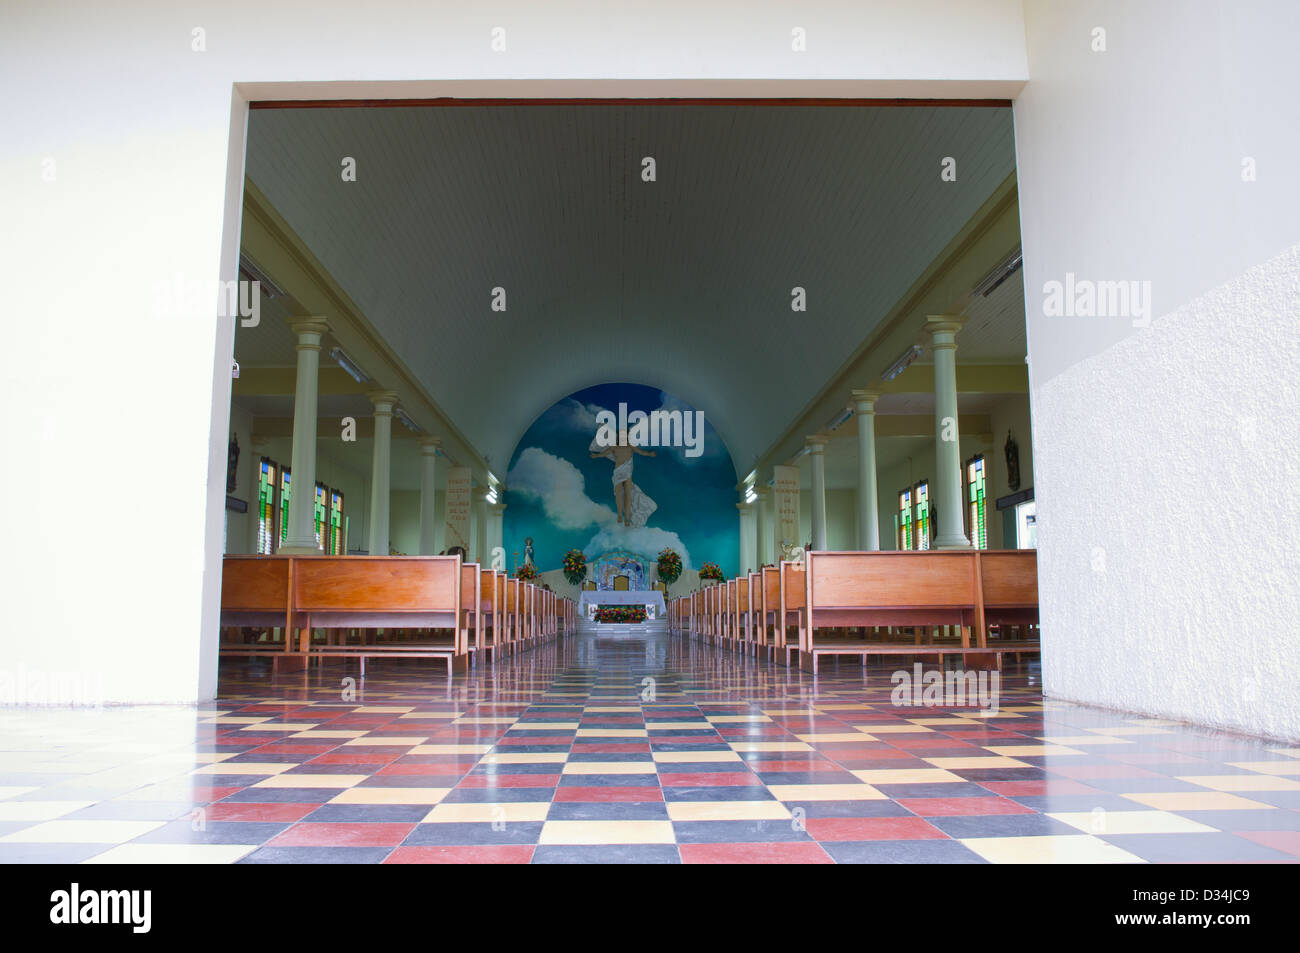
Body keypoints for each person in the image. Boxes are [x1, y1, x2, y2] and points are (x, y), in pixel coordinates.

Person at [590, 429, 658, 527]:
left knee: (628, 494)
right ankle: (620, 515)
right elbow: (604, 453)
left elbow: (642, 452)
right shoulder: (615, 447)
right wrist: (596, 456)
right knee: (618, 495)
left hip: (627, 473)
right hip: (618, 473)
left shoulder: (630, 447)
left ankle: (626, 517)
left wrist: (650, 454)